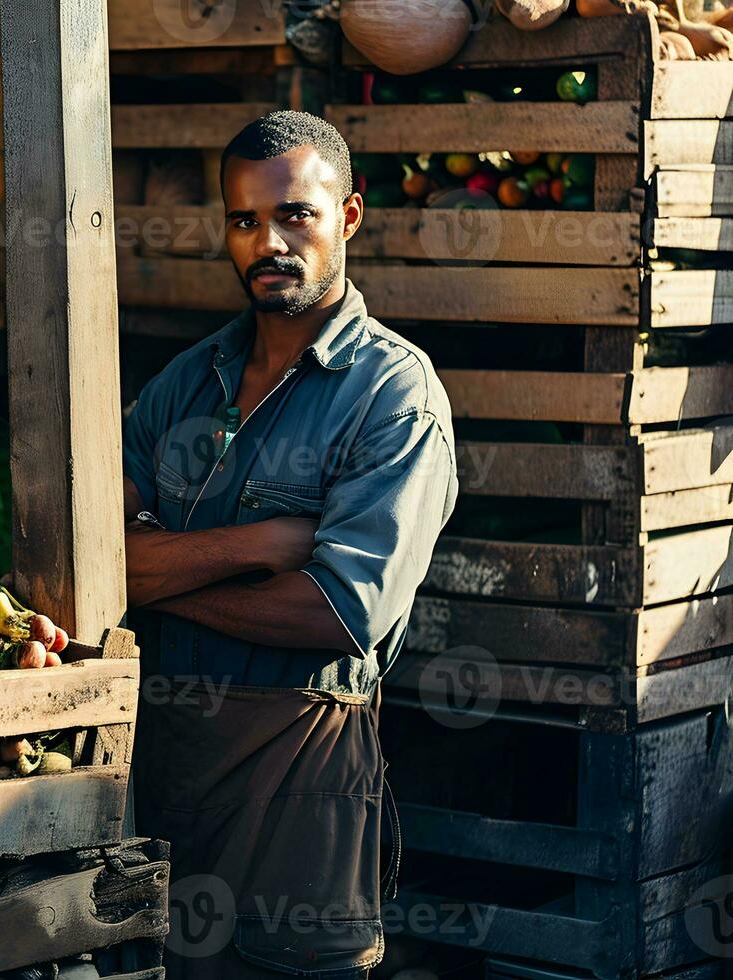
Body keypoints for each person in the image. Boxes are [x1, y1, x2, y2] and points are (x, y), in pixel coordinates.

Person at [123, 110, 459, 979]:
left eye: (294, 216)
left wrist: (155, 575)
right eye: (243, 221)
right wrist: (261, 544)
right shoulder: (185, 381)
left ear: (347, 216)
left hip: (299, 786)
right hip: (158, 777)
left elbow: (341, 612)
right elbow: (88, 557)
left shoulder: (391, 394)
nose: (267, 242)